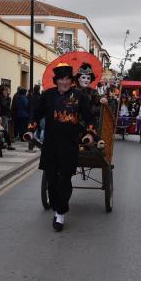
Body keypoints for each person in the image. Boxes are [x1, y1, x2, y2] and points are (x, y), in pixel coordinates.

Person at [24, 63, 97, 232]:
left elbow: (90, 118)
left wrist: (89, 134)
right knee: (51, 182)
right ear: (56, 80)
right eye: (61, 79)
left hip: (70, 146)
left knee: (64, 181)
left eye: (67, 79)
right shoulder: (47, 95)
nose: (64, 82)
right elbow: (36, 113)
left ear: (71, 80)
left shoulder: (79, 96)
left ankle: (60, 213)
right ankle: (57, 206)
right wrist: (30, 130)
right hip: (50, 145)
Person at [0, 85, 15, 150]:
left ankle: (4, 142)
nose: (6, 92)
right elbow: (5, 105)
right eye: (5, 90)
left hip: (5, 115)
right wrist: (6, 99)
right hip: (3, 114)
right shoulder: (1, 97)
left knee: (5, 129)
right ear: (1, 91)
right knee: (3, 129)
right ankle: (2, 142)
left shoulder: (4, 97)